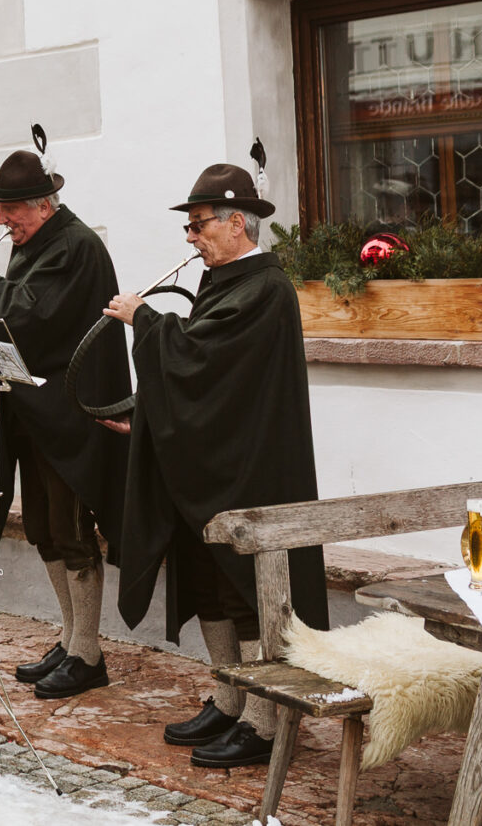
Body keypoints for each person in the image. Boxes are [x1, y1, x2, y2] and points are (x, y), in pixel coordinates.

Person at [105, 163, 327, 769]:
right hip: (215, 459)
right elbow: (205, 379)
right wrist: (147, 415)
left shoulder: (265, 287)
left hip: (251, 467)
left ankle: (261, 720)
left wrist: (143, 320)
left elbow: (206, 358)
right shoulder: (225, 280)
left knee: (244, 587)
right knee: (207, 581)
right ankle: (229, 699)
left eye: (198, 224)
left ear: (237, 223)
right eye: (189, 226)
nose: (190, 237)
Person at [0, 146, 129, 699]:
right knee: (47, 531)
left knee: (74, 534)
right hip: (37, 411)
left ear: (44, 205)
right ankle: (71, 636)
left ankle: (88, 653)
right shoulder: (42, 242)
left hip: (72, 417)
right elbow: (20, 312)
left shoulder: (76, 245)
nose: (3, 222)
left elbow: (37, 316)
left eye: (11, 211)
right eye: (1, 211)